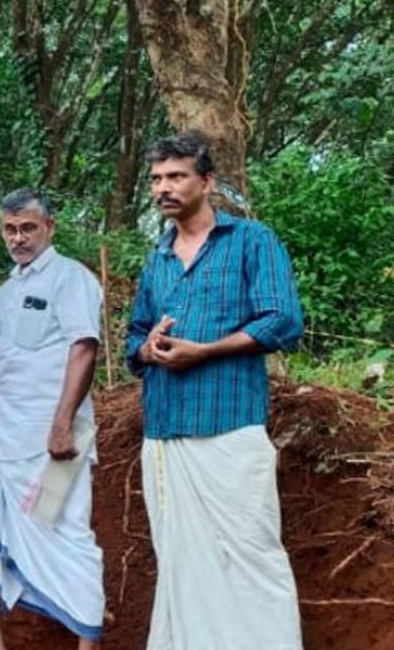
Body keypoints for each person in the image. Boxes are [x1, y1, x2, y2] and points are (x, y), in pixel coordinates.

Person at [125, 132, 304, 650]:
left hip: (229, 429)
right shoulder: (157, 256)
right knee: (182, 563)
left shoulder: (252, 241)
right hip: (164, 433)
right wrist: (147, 348)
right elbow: (134, 334)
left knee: (251, 555)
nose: (164, 187)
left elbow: (282, 321)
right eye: (157, 179)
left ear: (207, 182)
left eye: (176, 176)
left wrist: (204, 351)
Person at [0, 189, 105, 650]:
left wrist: (62, 423)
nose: (18, 237)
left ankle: (87, 646)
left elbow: (84, 348)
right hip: (1, 439)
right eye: (10, 229)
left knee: (65, 535)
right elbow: (1, 360)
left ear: (49, 228)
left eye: (28, 228)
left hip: (55, 443)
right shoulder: (8, 290)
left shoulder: (71, 279)